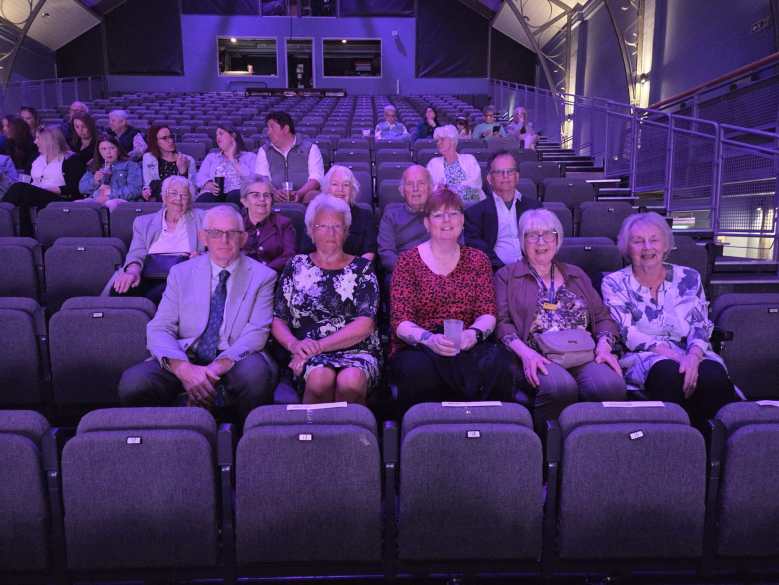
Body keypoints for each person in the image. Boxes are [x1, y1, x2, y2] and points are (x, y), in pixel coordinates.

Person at [118, 205, 278, 420]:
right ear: (203, 237)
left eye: (232, 233)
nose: (224, 240)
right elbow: (160, 327)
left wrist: (210, 372)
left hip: (232, 358)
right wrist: (183, 369)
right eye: (215, 233)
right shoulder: (180, 273)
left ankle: (244, 446)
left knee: (255, 375)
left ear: (243, 238)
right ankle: (162, 446)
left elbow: (256, 333)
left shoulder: (263, 277)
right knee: (134, 383)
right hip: (186, 355)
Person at [495, 208, 626, 430]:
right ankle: (549, 455)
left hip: (583, 353)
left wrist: (604, 348)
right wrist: (526, 355)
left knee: (610, 385)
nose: (540, 241)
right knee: (559, 387)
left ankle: (598, 448)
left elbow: (602, 317)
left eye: (548, 234)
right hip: (537, 354)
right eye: (532, 235)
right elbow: (502, 323)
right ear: (521, 240)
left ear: (558, 239)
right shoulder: (507, 276)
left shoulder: (576, 274)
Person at [601, 212, 736, 427]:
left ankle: (714, 448)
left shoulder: (689, 277)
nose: (647, 247)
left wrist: (692, 357)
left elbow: (700, 324)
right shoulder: (614, 283)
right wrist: (677, 358)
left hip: (693, 352)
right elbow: (628, 332)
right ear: (627, 248)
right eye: (638, 241)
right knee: (669, 376)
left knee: (713, 376)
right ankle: (675, 444)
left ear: (666, 245)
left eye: (654, 240)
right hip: (645, 355)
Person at [390, 187, 514, 412]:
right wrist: (429, 339)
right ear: (427, 223)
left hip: (468, 342)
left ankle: (487, 434)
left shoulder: (478, 260)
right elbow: (400, 321)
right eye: (438, 214)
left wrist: (473, 335)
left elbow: (487, 312)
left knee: (500, 365)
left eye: (454, 213)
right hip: (421, 346)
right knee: (417, 372)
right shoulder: (407, 262)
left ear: (463, 220)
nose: (447, 220)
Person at [272, 194, 381, 404]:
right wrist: (295, 346)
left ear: (346, 231)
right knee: (320, 379)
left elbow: (365, 325)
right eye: (323, 226)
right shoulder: (296, 265)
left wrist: (319, 346)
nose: (330, 232)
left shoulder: (362, 269)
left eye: (337, 226)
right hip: (305, 351)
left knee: (350, 381)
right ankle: (312, 434)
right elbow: (279, 319)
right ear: (311, 230)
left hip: (357, 350)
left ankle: (353, 436)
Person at [106, 176, 205, 304]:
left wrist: (202, 257)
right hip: (148, 276)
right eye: (173, 193)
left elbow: (217, 247)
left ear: (190, 200)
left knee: (160, 295)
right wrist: (132, 272)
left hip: (183, 278)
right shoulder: (144, 223)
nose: (178, 199)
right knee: (120, 289)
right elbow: (136, 253)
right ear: (164, 197)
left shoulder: (202, 219)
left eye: (184, 195)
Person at [464, 150, 541, 271]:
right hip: (495, 274)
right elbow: (478, 251)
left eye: (510, 171)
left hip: (532, 272)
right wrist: (505, 271)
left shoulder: (535, 208)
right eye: (500, 172)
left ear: (517, 176)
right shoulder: (474, 214)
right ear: (489, 179)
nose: (506, 176)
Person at [2, 126, 85, 235]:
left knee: (20, 189)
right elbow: (27, 179)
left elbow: (76, 188)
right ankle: (23, 234)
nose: (35, 142)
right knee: (22, 195)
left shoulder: (71, 159)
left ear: (48, 141)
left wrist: (47, 189)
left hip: (59, 197)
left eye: (38, 138)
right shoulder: (35, 158)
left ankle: (2, 215)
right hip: (34, 194)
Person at [303, 165, 376, 261]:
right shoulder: (316, 213)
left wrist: (354, 271)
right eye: (335, 184)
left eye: (346, 185)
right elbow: (306, 250)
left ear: (352, 190)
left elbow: (369, 253)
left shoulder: (365, 216)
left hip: (356, 271)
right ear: (327, 188)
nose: (340, 189)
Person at [254, 111, 324, 204]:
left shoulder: (310, 148)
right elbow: (262, 178)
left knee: (313, 195)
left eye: (272, 127)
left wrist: (299, 193)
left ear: (286, 129)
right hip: (274, 195)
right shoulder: (264, 151)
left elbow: (316, 179)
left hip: (304, 195)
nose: (268, 132)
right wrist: (274, 192)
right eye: (268, 128)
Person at [377, 164, 431, 274]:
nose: (415, 189)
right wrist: (409, 271)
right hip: (402, 272)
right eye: (410, 184)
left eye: (421, 183)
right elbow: (386, 253)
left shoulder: (440, 213)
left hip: (436, 271)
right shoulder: (391, 215)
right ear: (402, 190)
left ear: (430, 188)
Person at [239, 175, 296, 272]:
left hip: (274, 278)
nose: (262, 199)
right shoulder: (236, 225)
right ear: (244, 201)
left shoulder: (284, 224)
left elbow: (289, 255)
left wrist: (265, 272)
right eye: (256, 195)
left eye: (266, 195)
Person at [78, 134, 143, 209]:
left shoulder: (130, 165)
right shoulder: (95, 166)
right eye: (103, 149)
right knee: (77, 205)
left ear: (118, 149)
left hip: (122, 202)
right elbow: (82, 188)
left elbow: (135, 189)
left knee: (110, 203)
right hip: (97, 200)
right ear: (99, 151)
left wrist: (109, 194)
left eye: (112, 148)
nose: (108, 152)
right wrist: (95, 181)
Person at [196, 125, 256, 204]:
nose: (217, 137)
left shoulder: (249, 157)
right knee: (205, 198)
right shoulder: (211, 157)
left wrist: (232, 158)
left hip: (237, 193)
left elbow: (251, 179)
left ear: (233, 136)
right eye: (216, 135)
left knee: (235, 196)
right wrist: (207, 183)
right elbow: (200, 177)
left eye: (221, 134)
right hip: (215, 193)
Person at [426, 125, 485, 203]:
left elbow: (476, 188)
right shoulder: (433, 163)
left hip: (472, 203)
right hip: (443, 205)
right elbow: (430, 189)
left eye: (442, 139)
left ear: (452, 141)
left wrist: (450, 191)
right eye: (437, 140)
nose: (438, 143)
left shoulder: (469, 159)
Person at [142, 125, 197, 201]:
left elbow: (191, 189)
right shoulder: (148, 158)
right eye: (164, 138)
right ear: (155, 142)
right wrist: (147, 190)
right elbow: (148, 183)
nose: (170, 140)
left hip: (180, 200)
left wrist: (183, 172)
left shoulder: (188, 160)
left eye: (171, 137)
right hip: (157, 200)